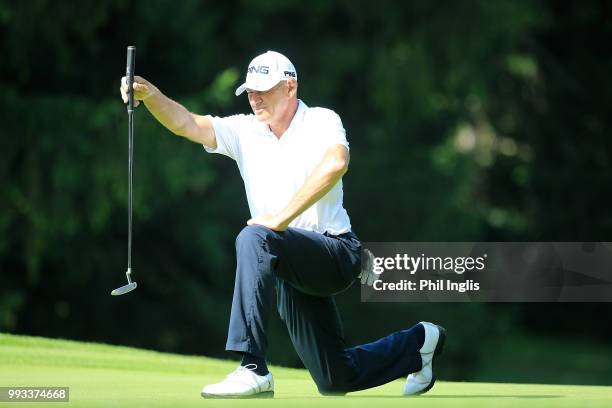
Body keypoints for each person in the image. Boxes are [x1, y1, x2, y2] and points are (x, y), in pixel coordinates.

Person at [119, 50, 446, 398]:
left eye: (264, 89)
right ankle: (421, 342)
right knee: (336, 379)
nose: (254, 98)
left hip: (335, 252)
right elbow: (187, 123)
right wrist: (151, 95)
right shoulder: (244, 129)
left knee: (253, 237)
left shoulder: (321, 120)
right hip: (288, 263)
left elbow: (337, 163)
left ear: (290, 87)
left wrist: (280, 218)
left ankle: (252, 367)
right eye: (250, 91)